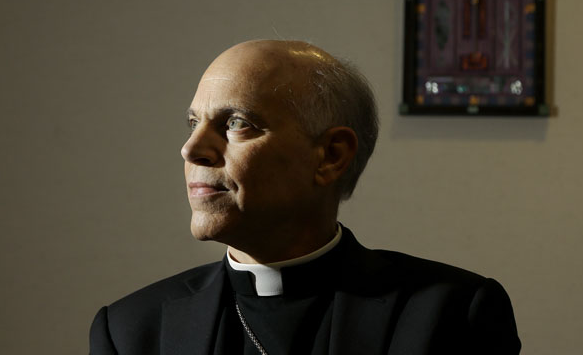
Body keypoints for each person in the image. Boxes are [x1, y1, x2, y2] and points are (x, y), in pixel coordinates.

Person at [89, 40, 521, 354]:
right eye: (192, 123)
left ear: (330, 156)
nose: (192, 149)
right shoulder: (131, 331)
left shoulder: (451, 315)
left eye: (236, 123)